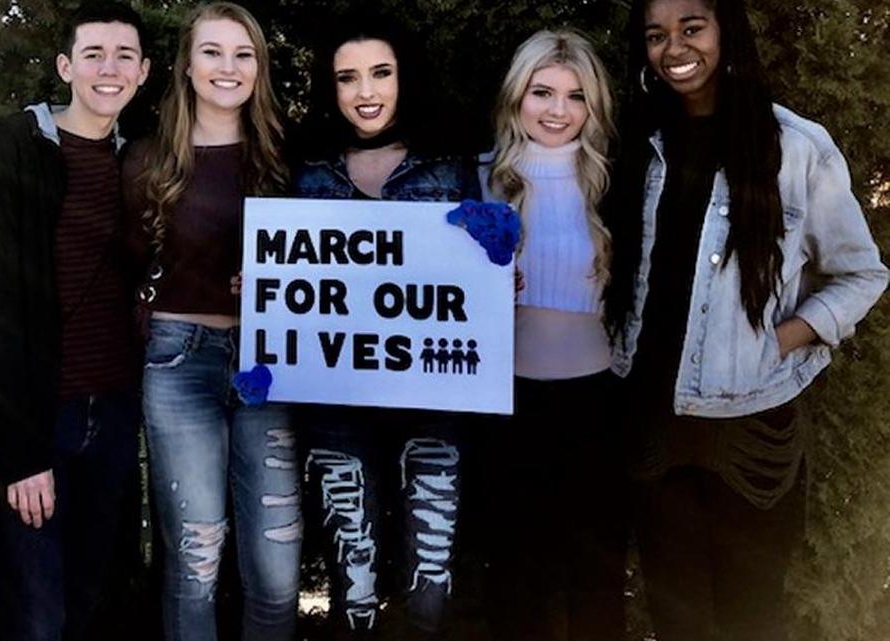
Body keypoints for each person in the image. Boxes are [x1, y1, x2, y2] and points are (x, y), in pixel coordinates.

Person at [603, 0, 889, 639]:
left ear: (726, 30)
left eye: (691, 27)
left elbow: (863, 273)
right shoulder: (640, 145)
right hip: (653, 423)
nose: (674, 47)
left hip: (753, 426)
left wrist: (784, 337)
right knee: (678, 618)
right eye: (656, 35)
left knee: (750, 617)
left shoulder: (796, 148)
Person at [0, 3, 150, 639]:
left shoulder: (142, 160)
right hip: (39, 417)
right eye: (93, 54)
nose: (109, 68)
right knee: (35, 616)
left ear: (144, 71)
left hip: (116, 410)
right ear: (65, 65)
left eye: (125, 55)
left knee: (87, 595)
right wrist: (19, 452)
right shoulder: (17, 144)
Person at [292, 13, 480, 640]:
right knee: (355, 587)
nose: (365, 92)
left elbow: (483, 257)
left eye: (381, 73)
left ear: (406, 78)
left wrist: (497, 272)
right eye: (348, 78)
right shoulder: (306, 166)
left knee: (430, 586)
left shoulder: (453, 160)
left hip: (433, 397)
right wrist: (259, 284)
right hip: (336, 401)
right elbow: (286, 270)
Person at [122, 3, 300, 640]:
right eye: (213, 52)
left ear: (260, 66)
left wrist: (279, 286)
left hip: (268, 367)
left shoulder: (284, 155)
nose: (228, 68)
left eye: (243, 54)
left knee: (278, 577)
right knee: (195, 566)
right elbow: (122, 271)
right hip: (179, 362)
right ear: (186, 66)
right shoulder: (147, 160)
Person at [477, 29, 625, 641]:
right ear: (517, 97)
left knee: (595, 578)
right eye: (542, 92)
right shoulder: (480, 178)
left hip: (598, 400)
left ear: (594, 107)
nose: (558, 110)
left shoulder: (618, 182)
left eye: (576, 96)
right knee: (516, 579)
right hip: (507, 402)